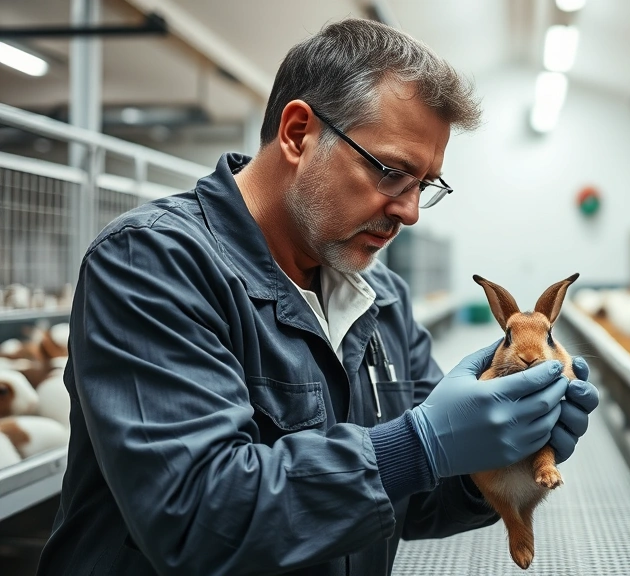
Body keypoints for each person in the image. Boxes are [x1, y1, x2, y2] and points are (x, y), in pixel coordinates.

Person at [36, 18, 599, 576]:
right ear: (299, 133)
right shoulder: (152, 264)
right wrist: (417, 445)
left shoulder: (382, 301)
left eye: (425, 185)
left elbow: (417, 501)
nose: (410, 211)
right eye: (392, 172)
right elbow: (198, 519)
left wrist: (500, 456)